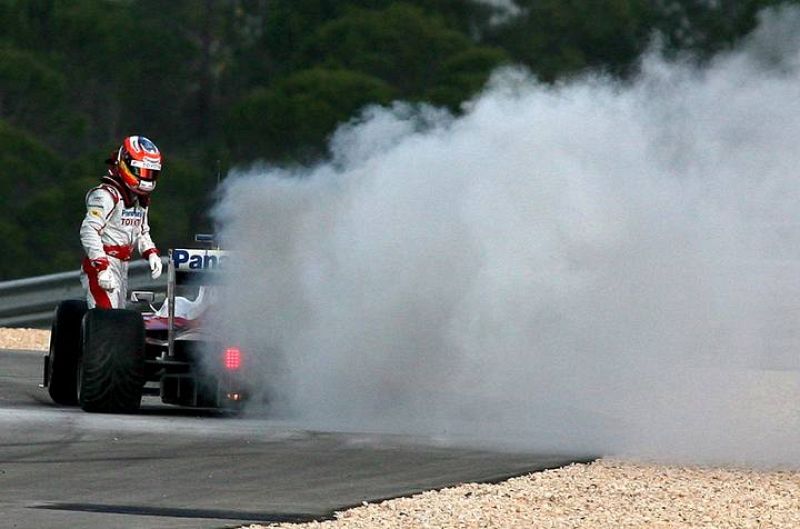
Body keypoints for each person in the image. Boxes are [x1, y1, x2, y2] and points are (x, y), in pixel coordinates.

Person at [79, 135, 163, 309]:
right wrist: (101, 266)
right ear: (125, 164)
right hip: (102, 263)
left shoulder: (140, 199)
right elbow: (89, 230)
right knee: (106, 317)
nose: (146, 178)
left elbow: (141, 231)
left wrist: (151, 253)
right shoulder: (105, 195)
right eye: (142, 172)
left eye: (151, 173)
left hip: (123, 264)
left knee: (118, 314)